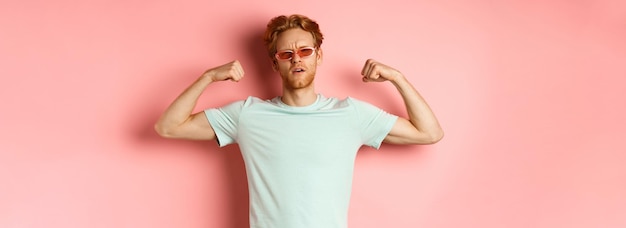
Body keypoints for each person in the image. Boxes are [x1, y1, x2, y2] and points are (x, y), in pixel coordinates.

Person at [154, 14, 443, 228]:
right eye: (286, 54)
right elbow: (168, 126)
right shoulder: (247, 115)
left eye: (305, 51)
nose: (297, 60)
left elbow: (429, 132)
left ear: (319, 56)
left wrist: (397, 78)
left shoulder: (351, 115)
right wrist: (208, 78)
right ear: (274, 63)